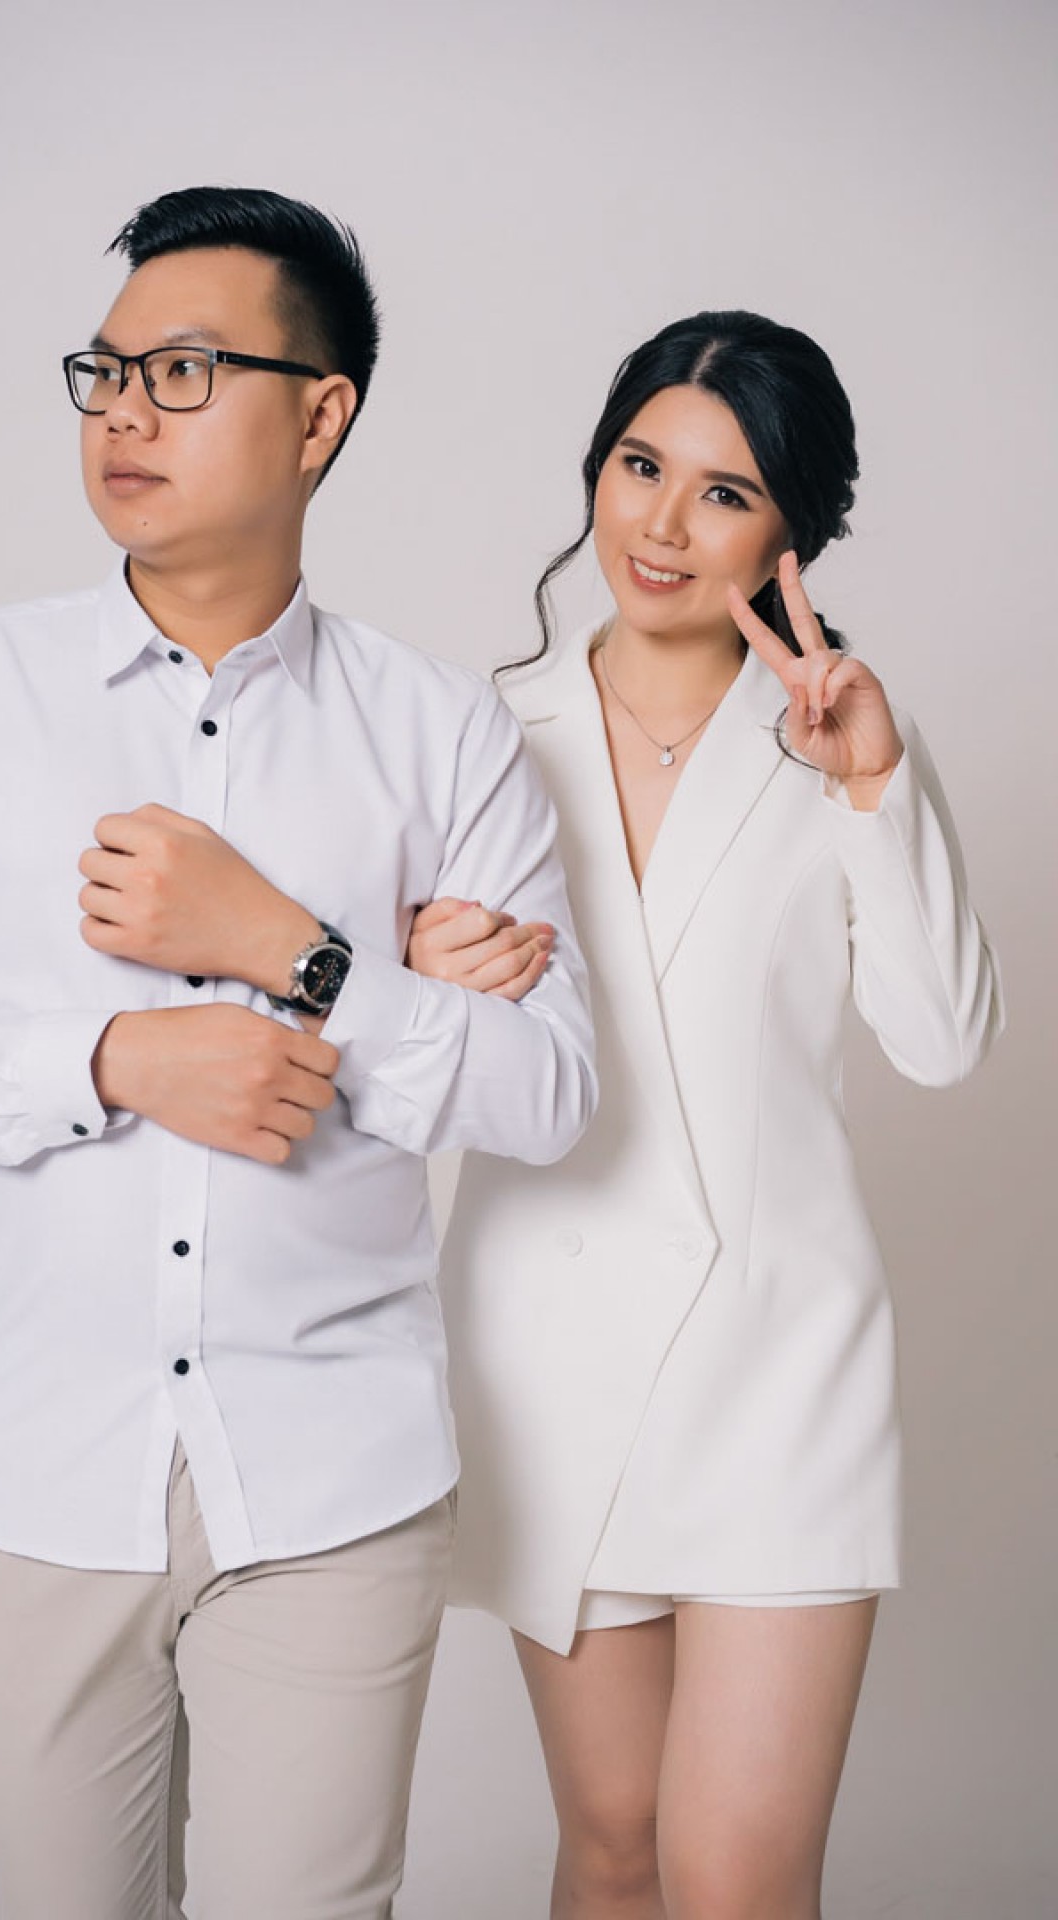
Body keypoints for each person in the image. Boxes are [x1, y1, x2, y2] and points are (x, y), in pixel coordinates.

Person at [0, 186, 596, 1920]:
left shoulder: (441, 730)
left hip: (334, 1475)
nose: (124, 413)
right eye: (106, 371)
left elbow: (549, 1094)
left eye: (186, 370)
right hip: (30, 1472)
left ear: (320, 415)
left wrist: (300, 954)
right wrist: (112, 1058)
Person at [406, 310, 1003, 1920]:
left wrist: (872, 785)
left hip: (780, 1364)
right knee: (612, 1849)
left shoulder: (835, 734)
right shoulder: (474, 734)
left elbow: (945, 1041)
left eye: (724, 492)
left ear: (792, 528)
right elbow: (399, 1075)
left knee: (733, 1879)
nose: (663, 525)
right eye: (639, 466)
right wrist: (418, 979)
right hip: (551, 1362)